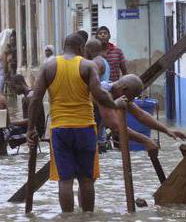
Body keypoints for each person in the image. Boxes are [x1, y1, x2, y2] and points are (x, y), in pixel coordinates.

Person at [27, 33, 127, 213]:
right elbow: (99, 94)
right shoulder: (87, 65)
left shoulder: (48, 66)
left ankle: (67, 218)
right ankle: (87, 217)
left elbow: (35, 99)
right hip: (85, 128)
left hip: (60, 129)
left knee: (65, 180)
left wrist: (31, 129)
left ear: (64, 46)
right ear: (81, 48)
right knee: (86, 179)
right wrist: (115, 104)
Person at [97, 74, 186, 149]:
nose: (131, 101)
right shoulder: (103, 92)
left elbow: (141, 115)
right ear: (124, 88)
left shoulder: (120, 95)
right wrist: (145, 140)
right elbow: (116, 127)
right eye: (131, 97)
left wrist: (167, 130)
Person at [9, 74, 45, 147]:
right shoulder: (25, 98)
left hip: (36, 130)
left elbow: (32, 120)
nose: (14, 91)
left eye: (14, 88)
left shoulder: (31, 97)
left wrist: (12, 123)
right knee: (6, 130)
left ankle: (1, 154)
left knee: (6, 132)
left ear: (20, 84)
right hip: (28, 128)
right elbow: (27, 120)